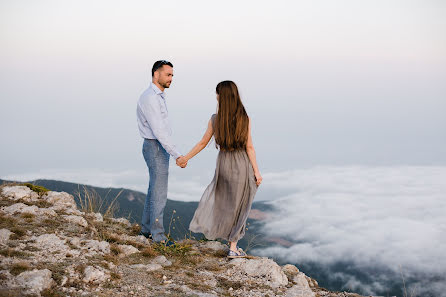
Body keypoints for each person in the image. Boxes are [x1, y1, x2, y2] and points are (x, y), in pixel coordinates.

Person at [178, 80, 262, 258]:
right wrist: (256, 171)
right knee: (241, 205)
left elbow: (203, 142)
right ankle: (233, 246)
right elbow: (250, 148)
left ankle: (228, 242)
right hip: (241, 164)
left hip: (223, 164)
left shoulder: (216, 120)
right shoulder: (244, 119)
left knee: (225, 204)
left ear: (221, 96)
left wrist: (185, 157)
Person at [136, 60, 187, 245]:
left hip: (157, 147)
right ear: (156, 74)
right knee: (159, 193)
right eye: (168, 74)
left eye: (172, 75)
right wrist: (177, 154)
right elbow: (159, 131)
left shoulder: (157, 96)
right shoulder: (150, 97)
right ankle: (158, 237)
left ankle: (146, 229)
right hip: (155, 146)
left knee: (154, 190)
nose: (171, 78)